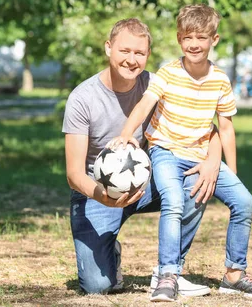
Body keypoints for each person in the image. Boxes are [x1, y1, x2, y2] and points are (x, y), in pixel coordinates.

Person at [109, 4, 252, 302]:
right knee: (173, 201)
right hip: (166, 152)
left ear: (215, 39)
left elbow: (225, 129)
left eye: (201, 37)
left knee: (244, 202)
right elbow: (145, 105)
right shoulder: (168, 73)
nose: (194, 44)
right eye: (187, 37)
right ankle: (167, 275)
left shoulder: (220, 80)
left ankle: (234, 274)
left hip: (200, 155)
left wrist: (231, 172)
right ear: (178, 39)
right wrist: (126, 135)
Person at [63, 18, 223, 296]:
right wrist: (102, 195)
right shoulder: (82, 98)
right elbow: (74, 174)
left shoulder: (156, 84)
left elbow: (206, 126)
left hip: (147, 182)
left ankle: (168, 272)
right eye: (124, 51)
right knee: (97, 287)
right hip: (95, 192)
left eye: (139, 53)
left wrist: (212, 161)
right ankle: (109, 250)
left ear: (148, 55)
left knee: (198, 181)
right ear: (108, 48)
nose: (131, 60)